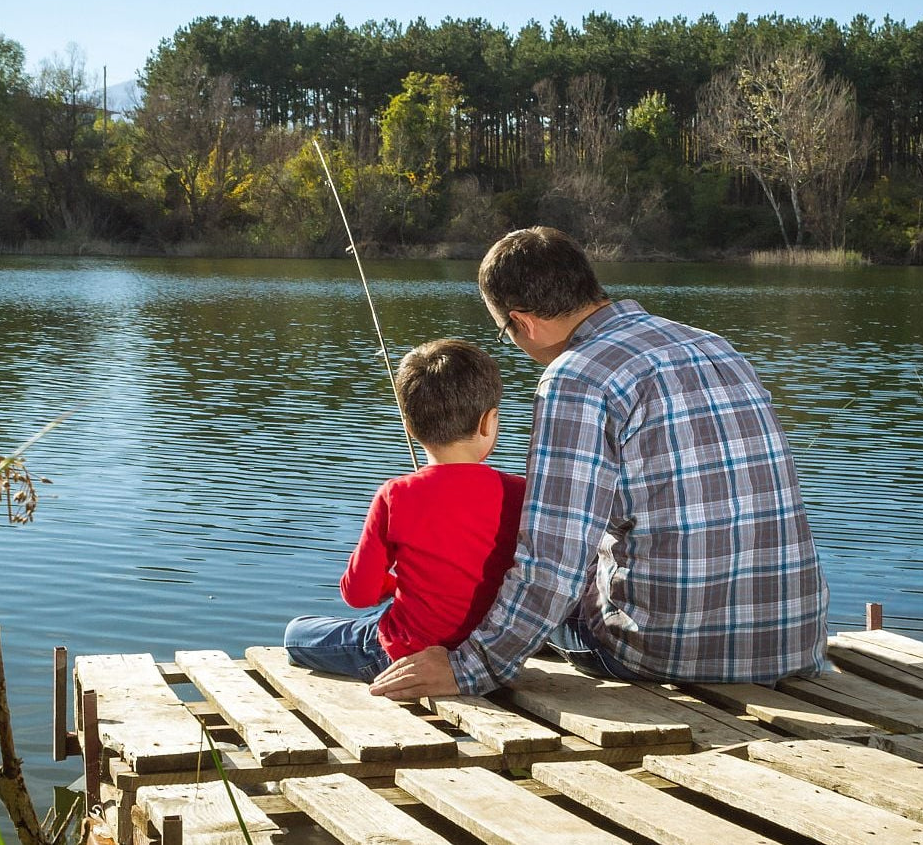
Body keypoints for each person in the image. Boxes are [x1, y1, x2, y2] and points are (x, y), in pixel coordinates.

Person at [371, 227, 829, 699]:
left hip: (663, 651)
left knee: (476, 602)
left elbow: (552, 562)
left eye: (506, 334)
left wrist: (470, 667)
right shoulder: (714, 346)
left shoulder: (575, 378)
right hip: (792, 642)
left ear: (523, 322)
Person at [283, 339, 526, 681]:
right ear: (488, 422)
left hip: (404, 654)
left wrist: (391, 583)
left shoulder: (396, 495)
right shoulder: (521, 493)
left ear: (410, 427)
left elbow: (358, 593)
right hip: (488, 653)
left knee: (297, 633)